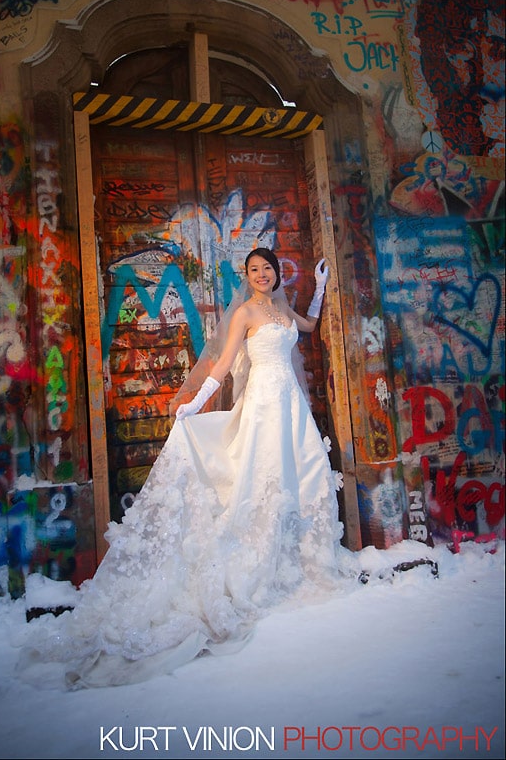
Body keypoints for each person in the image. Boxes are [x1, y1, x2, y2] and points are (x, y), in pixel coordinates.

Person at [18, 248, 351, 690]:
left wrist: (321, 287)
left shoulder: (281, 306)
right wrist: (193, 402)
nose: (262, 275)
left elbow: (306, 328)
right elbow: (220, 364)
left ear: (275, 273)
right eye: (254, 269)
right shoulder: (245, 313)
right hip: (265, 408)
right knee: (263, 479)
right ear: (246, 276)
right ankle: (257, 556)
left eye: (268, 268)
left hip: (291, 406)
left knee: (299, 474)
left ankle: (298, 558)